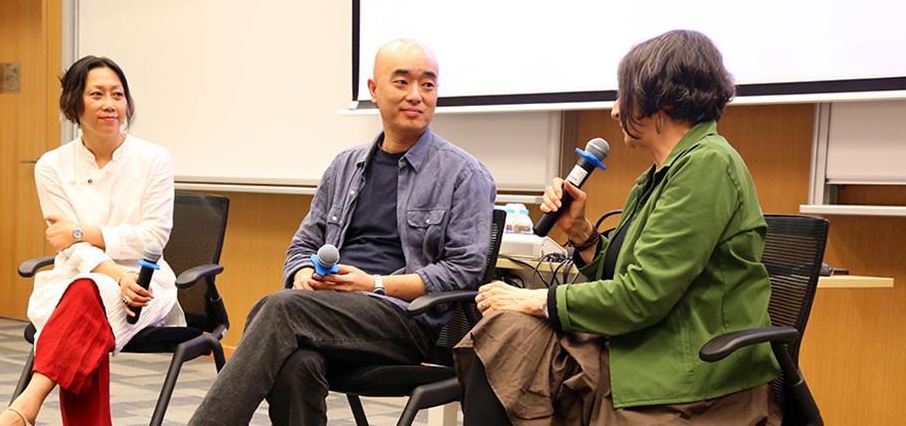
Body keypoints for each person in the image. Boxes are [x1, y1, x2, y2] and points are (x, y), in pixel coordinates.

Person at [456, 30, 782, 425]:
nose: (614, 111)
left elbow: (641, 295)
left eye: (624, 96)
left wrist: (535, 300)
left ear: (661, 100)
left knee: (510, 336)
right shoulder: (660, 174)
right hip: (646, 346)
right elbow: (625, 276)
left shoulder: (707, 165)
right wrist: (581, 233)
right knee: (505, 336)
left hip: (692, 377)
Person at [189, 39, 496, 425]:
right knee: (297, 364)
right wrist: (303, 274)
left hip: (403, 320)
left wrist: (374, 284)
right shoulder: (345, 167)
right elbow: (303, 244)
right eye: (402, 82)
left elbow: (464, 271)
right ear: (374, 90)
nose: (416, 95)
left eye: (428, 84)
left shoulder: (464, 174)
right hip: (326, 313)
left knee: (280, 309)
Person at [0, 56, 184, 426]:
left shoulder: (155, 159)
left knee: (85, 305)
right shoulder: (52, 165)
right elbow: (71, 250)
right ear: (74, 102)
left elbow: (152, 237)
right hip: (78, 276)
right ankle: (24, 411)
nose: (110, 104)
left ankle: (25, 407)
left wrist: (81, 232)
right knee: (87, 299)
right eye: (97, 94)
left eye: (118, 95)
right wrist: (113, 273)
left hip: (143, 282)